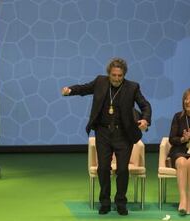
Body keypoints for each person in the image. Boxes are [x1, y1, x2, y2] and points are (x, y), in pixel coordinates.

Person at [61, 57, 152, 216]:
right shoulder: (100, 82)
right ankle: (105, 202)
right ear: (109, 73)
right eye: (114, 75)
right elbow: (84, 88)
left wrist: (145, 119)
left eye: (120, 76)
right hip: (102, 133)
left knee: (122, 170)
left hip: (123, 134)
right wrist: (70, 90)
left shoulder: (132, 87)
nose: (117, 79)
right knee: (103, 168)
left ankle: (121, 202)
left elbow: (145, 105)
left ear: (124, 75)